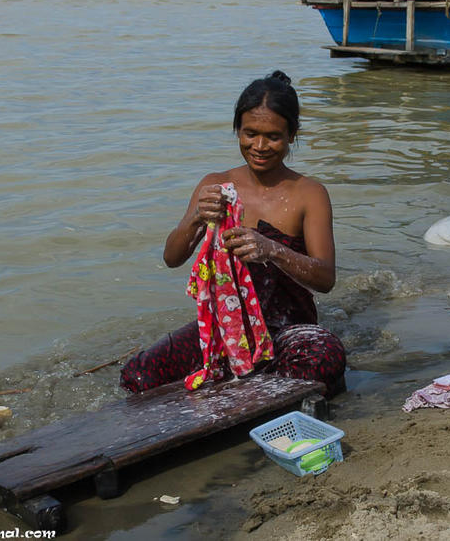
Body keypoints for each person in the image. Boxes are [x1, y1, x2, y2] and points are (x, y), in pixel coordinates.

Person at [119, 71, 346, 397]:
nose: (260, 146)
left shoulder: (309, 193)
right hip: (224, 328)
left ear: (292, 135)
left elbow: (325, 278)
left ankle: (256, 397)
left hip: (289, 330)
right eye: (250, 133)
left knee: (322, 359)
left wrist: (272, 250)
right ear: (237, 130)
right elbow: (172, 258)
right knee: (140, 374)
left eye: (273, 137)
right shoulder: (216, 184)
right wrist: (197, 217)